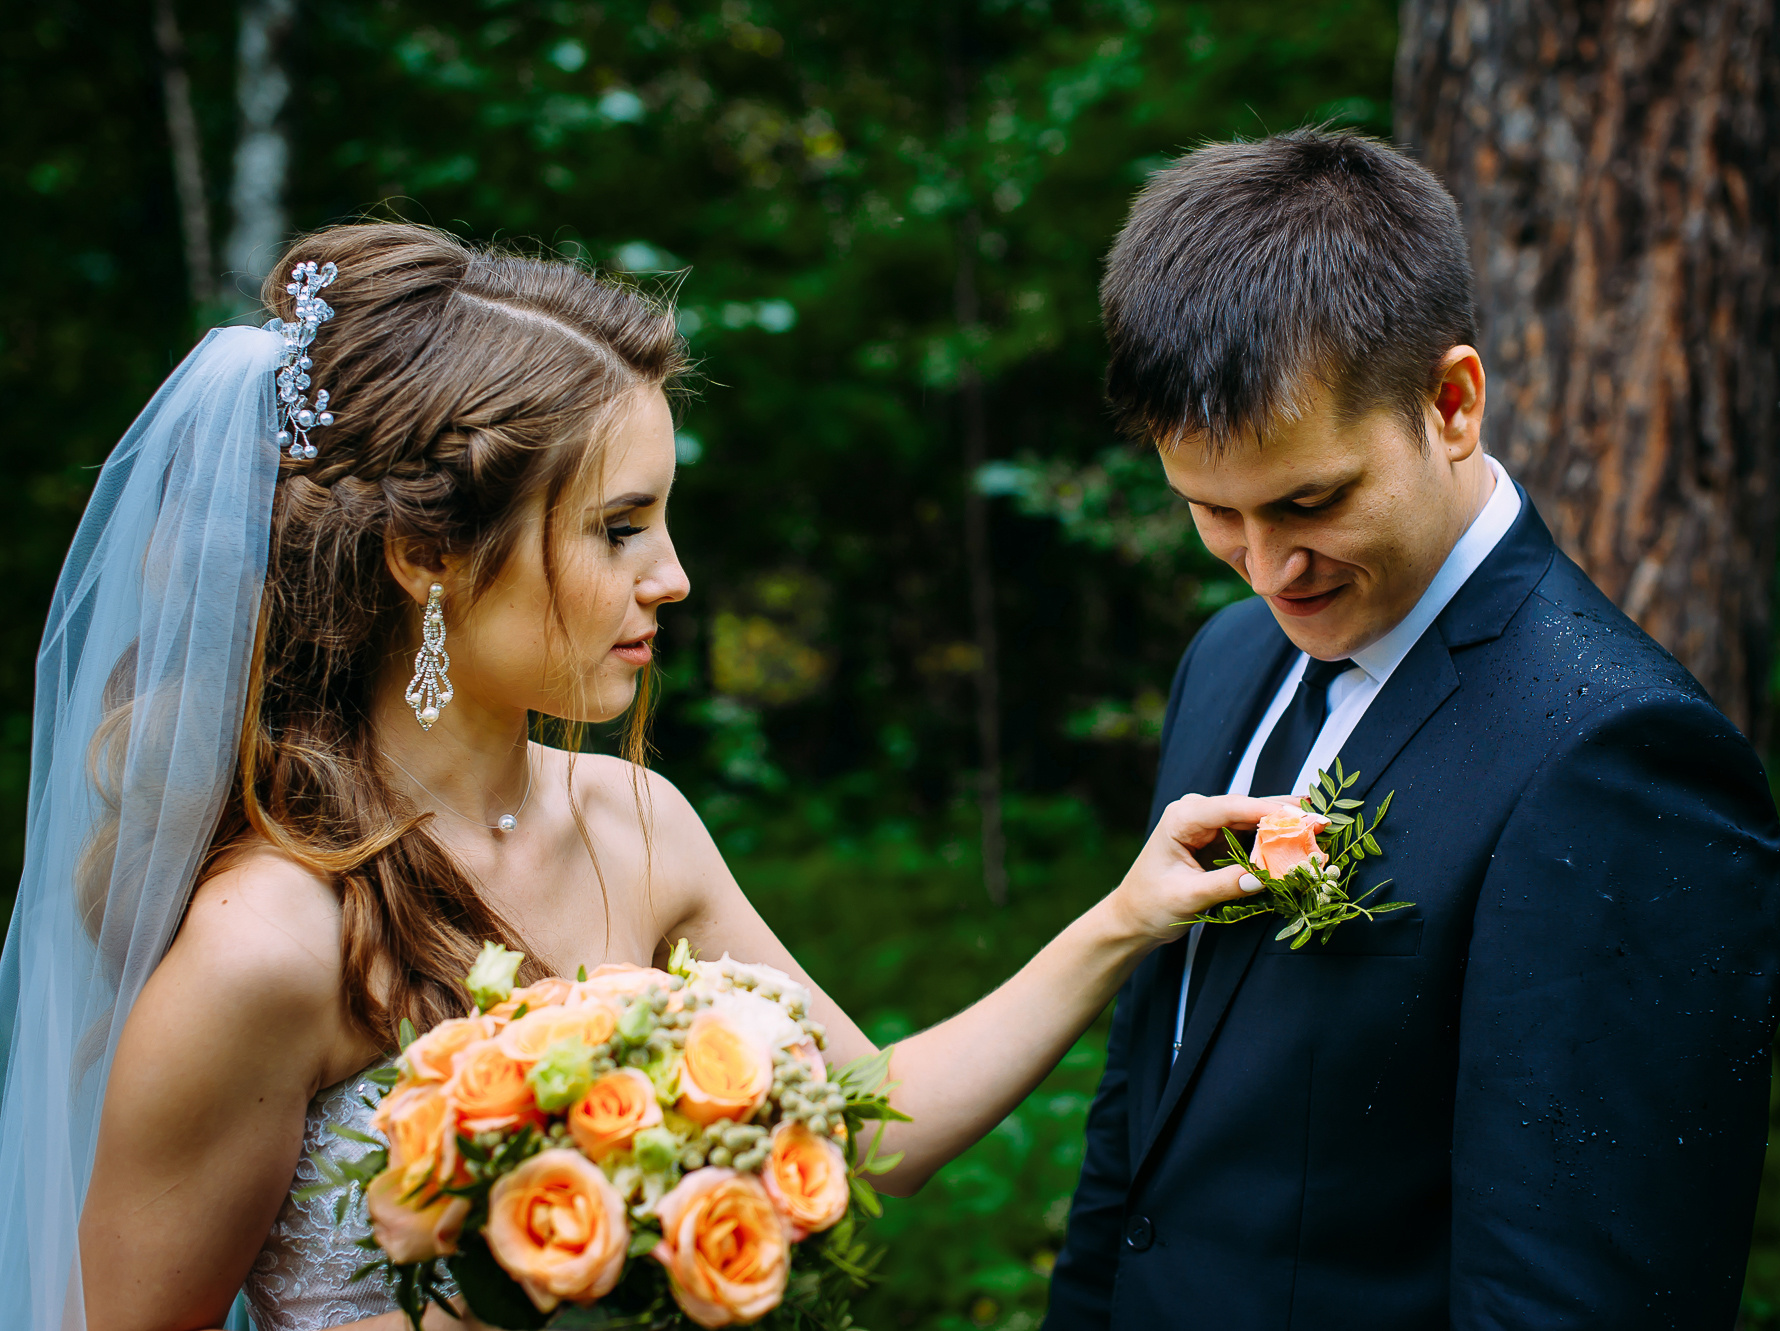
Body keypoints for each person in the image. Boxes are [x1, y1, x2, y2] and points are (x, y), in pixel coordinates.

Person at [0, 222, 1285, 1331]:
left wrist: (1127, 916)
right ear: (425, 557)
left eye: (662, 522)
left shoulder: (637, 821)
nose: (669, 578)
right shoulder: (267, 943)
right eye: (617, 529)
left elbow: (867, 1126)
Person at [1044, 129, 1780, 1329]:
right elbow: (1141, 1119)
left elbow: (1573, 1295)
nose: (1267, 568)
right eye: (1209, 512)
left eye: (1310, 500)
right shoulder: (1227, 660)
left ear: (1450, 403)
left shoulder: (1620, 760)